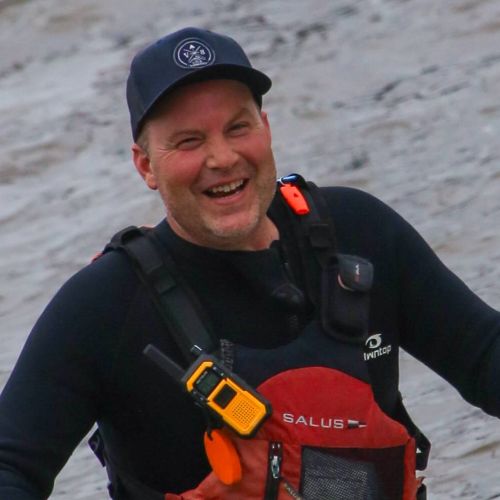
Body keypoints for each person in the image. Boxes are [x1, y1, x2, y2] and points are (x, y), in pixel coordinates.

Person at [0, 26, 499, 500]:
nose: (222, 158)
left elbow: (485, 357)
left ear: (266, 129)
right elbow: (10, 466)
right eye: (189, 141)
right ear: (146, 165)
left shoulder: (360, 233)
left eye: (237, 128)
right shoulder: (104, 306)